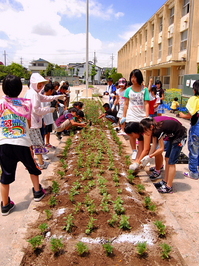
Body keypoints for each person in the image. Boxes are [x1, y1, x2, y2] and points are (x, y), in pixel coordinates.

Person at [0, 75, 45, 216]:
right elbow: (30, 125)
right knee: (32, 167)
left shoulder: (1, 103)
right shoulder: (25, 104)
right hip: (22, 142)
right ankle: (37, 192)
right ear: (20, 88)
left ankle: (5, 205)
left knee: (5, 175)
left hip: (4, 143)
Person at [24, 73, 65, 169]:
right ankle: (41, 164)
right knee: (37, 144)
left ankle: (32, 164)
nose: (41, 87)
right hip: (33, 123)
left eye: (42, 85)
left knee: (33, 145)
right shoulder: (33, 94)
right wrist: (49, 109)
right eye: (39, 84)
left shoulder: (34, 93)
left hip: (32, 122)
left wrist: (57, 97)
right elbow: (36, 110)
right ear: (33, 83)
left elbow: (44, 98)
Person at [124, 116, 182, 181]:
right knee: (155, 149)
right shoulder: (140, 132)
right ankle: (159, 165)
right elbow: (141, 149)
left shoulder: (146, 130)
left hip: (173, 129)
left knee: (157, 151)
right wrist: (136, 161)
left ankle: (158, 171)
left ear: (135, 131)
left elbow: (146, 149)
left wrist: (138, 162)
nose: (132, 137)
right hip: (160, 130)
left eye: (131, 135)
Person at [140, 117, 187, 193]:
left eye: (145, 130)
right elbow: (154, 145)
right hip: (173, 137)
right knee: (167, 159)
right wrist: (148, 157)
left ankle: (169, 187)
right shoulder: (154, 130)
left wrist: (149, 156)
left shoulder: (158, 130)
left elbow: (161, 149)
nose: (145, 133)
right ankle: (165, 181)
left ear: (151, 127)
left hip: (180, 137)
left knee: (171, 163)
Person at [121, 69, 150, 160]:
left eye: (135, 77)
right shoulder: (128, 90)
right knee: (131, 134)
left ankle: (143, 155)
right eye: (132, 77)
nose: (133, 79)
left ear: (139, 78)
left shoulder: (144, 90)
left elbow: (146, 103)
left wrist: (147, 115)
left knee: (142, 135)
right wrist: (124, 116)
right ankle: (134, 150)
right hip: (131, 115)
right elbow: (126, 104)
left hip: (141, 115)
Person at [179, 80, 199, 180]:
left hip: (197, 128)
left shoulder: (194, 99)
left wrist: (182, 115)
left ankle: (194, 172)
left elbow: (191, 114)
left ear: (195, 90)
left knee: (194, 149)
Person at [41, 83, 56, 151]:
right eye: (52, 90)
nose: (53, 92)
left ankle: (47, 143)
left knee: (49, 131)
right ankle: (42, 146)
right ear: (50, 90)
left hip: (49, 118)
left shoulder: (49, 97)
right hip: (45, 119)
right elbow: (41, 110)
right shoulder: (42, 98)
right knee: (44, 133)